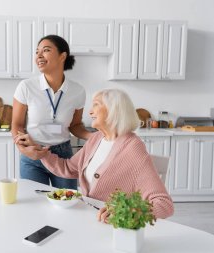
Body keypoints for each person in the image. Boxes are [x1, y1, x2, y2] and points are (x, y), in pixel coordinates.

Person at [15, 89, 174, 220]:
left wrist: (125, 212)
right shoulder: (97, 138)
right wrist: (41, 153)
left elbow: (163, 204)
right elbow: (70, 168)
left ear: (114, 110)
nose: (90, 112)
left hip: (112, 226)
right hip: (87, 217)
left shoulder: (133, 147)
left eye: (96, 105)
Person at [11, 35, 92, 189]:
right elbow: (17, 124)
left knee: (66, 204)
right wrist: (22, 147)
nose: (39, 55)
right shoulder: (26, 86)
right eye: (37, 52)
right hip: (33, 154)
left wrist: (93, 136)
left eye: (46, 50)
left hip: (63, 157)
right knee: (34, 206)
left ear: (62, 56)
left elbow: (75, 125)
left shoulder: (78, 91)